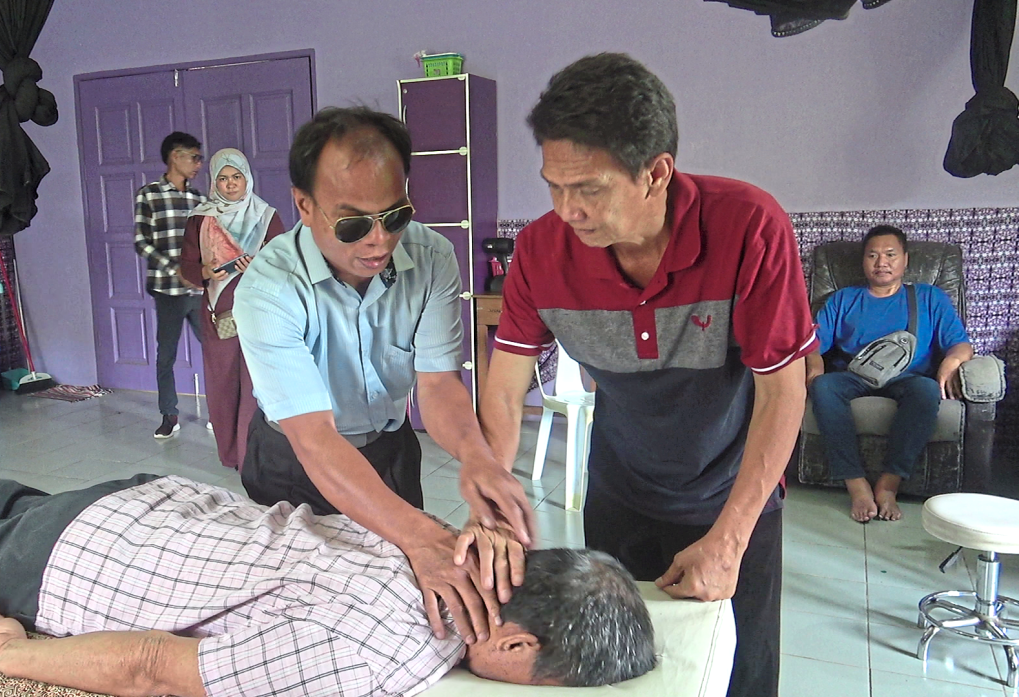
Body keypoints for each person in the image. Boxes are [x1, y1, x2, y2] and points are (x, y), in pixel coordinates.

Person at [472, 53, 816, 697]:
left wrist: (730, 539)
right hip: (620, 494)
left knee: (740, 669)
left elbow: (781, 390)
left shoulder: (748, 226)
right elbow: (505, 379)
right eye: (553, 186)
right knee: (622, 673)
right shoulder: (542, 253)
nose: (567, 210)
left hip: (731, 495)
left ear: (656, 172)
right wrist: (493, 494)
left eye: (589, 189)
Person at [0, 473, 657, 697]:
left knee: (15, 501)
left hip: (151, 500)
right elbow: (157, 666)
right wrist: (14, 656)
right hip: (82, 562)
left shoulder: (441, 543)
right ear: (514, 643)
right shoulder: (375, 659)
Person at [233, 106, 535, 643]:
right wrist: (422, 535)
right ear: (304, 205)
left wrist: (478, 458)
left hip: (391, 449)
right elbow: (315, 437)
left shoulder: (433, 255)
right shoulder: (269, 287)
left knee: (403, 604)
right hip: (294, 462)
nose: (378, 240)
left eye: (394, 215)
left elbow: (437, 383)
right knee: (296, 611)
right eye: (353, 223)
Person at [806, 225, 973, 523]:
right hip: (854, 374)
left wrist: (952, 362)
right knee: (824, 387)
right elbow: (813, 345)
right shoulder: (844, 299)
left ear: (905, 260)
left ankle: (888, 485)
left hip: (908, 377)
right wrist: (815, 366)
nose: (881, 262)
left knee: (926, 391)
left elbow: (960, 343)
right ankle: (855, 484)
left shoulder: (929, 297)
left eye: (890, 255)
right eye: (872, 255)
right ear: (863, 262)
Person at [180, 149, 285, 470]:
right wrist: (206, 273)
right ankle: (230, 454)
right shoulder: (201, 218)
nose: (230, 185)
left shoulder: (267, 216)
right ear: (214, 182)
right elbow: (187, 265)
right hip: (220, 313)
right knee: (222, 382)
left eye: (236, 177)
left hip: (261, 310)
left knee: (258, 382)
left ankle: (251, 454)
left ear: (247, 178)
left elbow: (285, 262)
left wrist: (260, 264)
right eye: (223, 179)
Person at [134, 131, 207, 439]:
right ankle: (169, 415)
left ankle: (221, 412)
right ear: (175, 156)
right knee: (166, 355)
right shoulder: (148, 194)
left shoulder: (200, 200)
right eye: (194, 157)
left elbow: (208, 243)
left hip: (201, 292)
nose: (198, 164)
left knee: (218, 352)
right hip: (167, 291)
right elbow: (141, 241)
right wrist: (174, 269)